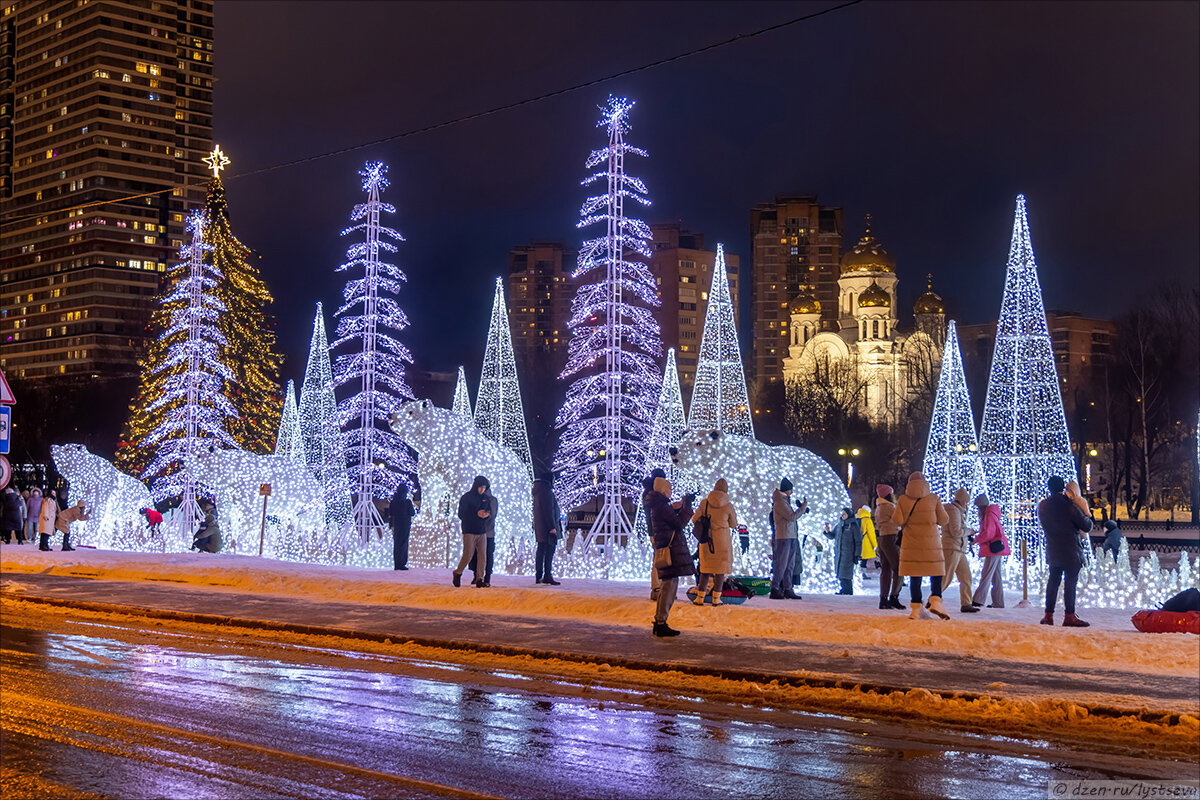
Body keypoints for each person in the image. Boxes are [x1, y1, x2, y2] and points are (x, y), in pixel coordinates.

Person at [892, 471, 950, 620]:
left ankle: (916, 609)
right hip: (932, 544)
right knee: (936, 572)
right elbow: (944, 520)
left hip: (912, 544)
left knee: (915, 577)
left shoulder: (903, 500)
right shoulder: (933, 498)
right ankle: (936, 600)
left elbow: (897, 521)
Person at [1039, 475, 1094, 627]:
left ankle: (1048, 616)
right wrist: (1086, 513)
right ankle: (1069, 616)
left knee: (1053, 582)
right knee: (1070, 583)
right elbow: (1087, 526)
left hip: (1053, 550)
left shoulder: (1043, 506)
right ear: (1062, 488)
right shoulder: (1069, 505)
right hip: (1071, 551)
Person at [649, 477, 695, 636]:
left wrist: (678, 507)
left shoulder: (659, 506)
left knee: (668, 586)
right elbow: (679, 523)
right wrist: (687, 506)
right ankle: (661, 623)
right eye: (668, 489)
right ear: (663, 490)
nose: (670, 492)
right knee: (668, 586)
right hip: (670, 551)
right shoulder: (662, 506)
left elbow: (671, 521)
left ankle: (660, 621)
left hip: (668, 549)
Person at [691, 478, 737, 606]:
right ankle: (716, 599)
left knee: (705, 569)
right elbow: (734, 524)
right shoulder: (728, 506)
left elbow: (694, 519)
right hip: (722, 541)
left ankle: (699, 598)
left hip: (707, 540)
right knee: (720, 571)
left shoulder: (705, 503)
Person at [770, 478, 808, 600]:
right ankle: (775, 588)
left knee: (789, 564)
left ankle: (788, 588)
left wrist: (800, 510)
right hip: (783, 536)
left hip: (790, 535)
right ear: (787, 489)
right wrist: (802, 508)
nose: (792, 492)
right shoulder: (780, 502)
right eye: (791, 489)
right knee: (782, 563)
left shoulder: (785, 501)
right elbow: (791, 517)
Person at [942, 488, 979, 613]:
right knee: (946, 577)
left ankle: (966, 603)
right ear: (963, 501)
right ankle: (933, 598)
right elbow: (956, 531)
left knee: (966, 576)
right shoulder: (953, 512)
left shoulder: (956, 511)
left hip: (959, 548)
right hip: (952, 547)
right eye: (966, 502)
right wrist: (970, 531)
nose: (967, 505)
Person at [971, 493, 1009, 608]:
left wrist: (976, 540)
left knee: (986, 574)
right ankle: (998, 603)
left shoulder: (988, 514)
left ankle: (978, 600)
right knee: (996, 577)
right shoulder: (991, 513)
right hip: (997, 548)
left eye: (978, 507)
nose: (977, 510)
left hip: (993, 549)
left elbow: (988, 533)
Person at [453, 476, 491, 588]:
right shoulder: (466, 498)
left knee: (482, 555)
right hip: (469, 529)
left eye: (484, 488)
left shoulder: (485, 498)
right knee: (468, 554)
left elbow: (489, 512)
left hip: (481, 529)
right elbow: (461, 514)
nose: (482, 490)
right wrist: (476, 513)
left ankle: (480, 578)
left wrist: (486, 515)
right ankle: (458, 572)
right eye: (480, 487)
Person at [873, 485, 903, 610]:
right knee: (899, 568)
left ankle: (883, 599)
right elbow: (899, 520)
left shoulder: (878, 507)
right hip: (891, 538)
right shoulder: (890, 507)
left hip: (882, 538)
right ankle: (894, 597)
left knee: (885, 569)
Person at [467, 480, 499, 587]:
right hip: (479, 531)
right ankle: (478, 576)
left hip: (486, 532)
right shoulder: (478, 498)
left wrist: (486, 515)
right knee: (477, 555)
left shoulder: (491, 500)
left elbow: (492, 515)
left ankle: (485, 577)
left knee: (487, 555)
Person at [532, 473, 562, 585]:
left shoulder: (538, 492)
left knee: (541, 551)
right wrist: (552, 527)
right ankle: (547, 575)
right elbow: (548, 511)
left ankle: (539, 575)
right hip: (548, 528)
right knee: (549, 552)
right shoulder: (546, 492)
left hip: (541, 527)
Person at [825, 507, 862, 595]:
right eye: (842, 513)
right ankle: (844, 590)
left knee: (847, 573)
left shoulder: (853, 526)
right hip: (839, 553)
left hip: (849, 554)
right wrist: (827, 532)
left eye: (844, 514)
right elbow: (832, 536)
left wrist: (857, 554)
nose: (842, 515)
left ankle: (848, 590)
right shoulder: (839, 525)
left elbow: (858, 541)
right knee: (840, 573)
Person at [643, 468, 666, 601]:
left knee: (657, 557)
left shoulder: (647, 493)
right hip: (658, 530)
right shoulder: (655, 495)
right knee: (659, 558)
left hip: (652, 530)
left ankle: (657, 587)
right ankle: (658, 587)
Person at [389, 484, 415, 571]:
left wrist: (391, 525)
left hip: (396, 525)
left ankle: (397, 564)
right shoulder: (407, 502)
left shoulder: (394, 501)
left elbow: (390, 513)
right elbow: (412, 513)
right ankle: (402, 563)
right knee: (403, 544)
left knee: (397, 544)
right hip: (405, 525)